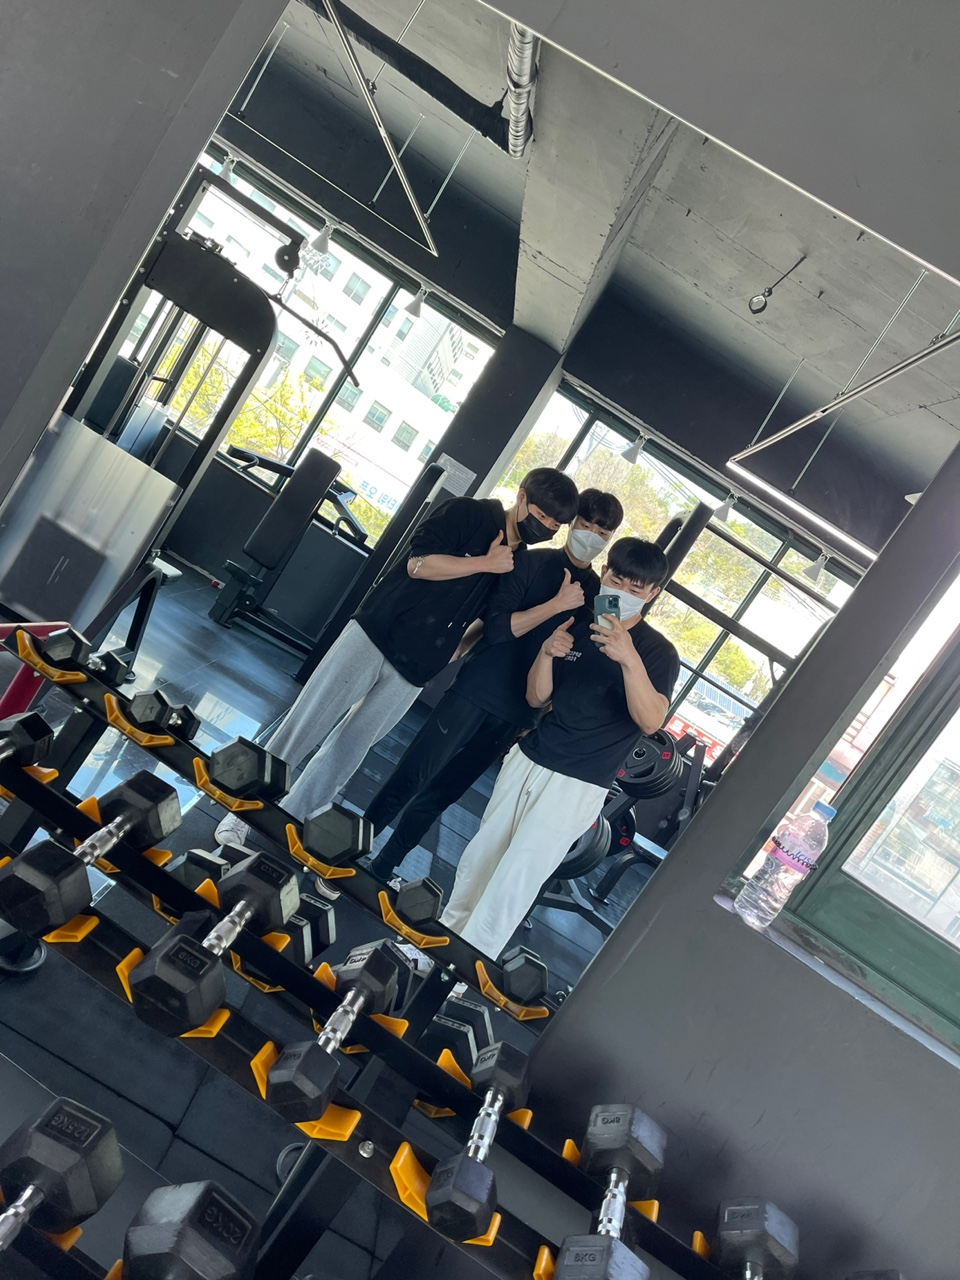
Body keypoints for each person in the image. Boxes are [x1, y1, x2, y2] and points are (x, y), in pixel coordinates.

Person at [214, 467, 579, 849]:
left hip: (417, 668)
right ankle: (239, 811)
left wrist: (454, 650)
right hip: (375, 636)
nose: (545, 527)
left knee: (348, 752)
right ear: (521, 497)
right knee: (305, 724)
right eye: (541, 516)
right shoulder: (467, 513)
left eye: (554, 525)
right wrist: (484, 563)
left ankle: (286, 823)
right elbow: (418, 564)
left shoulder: (518, 563)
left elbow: (488, 620)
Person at [364, 489, 625, 882]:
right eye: (585, 525)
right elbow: (497, 629)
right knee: (414, 773)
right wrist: (556, 605)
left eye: (602, 533)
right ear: (571, 524)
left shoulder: (603, 599)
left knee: (444, 793)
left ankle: (385, 866)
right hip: (477, 688)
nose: (591, 535)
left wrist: (542, 714)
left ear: (609, 539)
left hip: (520, 710)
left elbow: (599, 657)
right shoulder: (530, 562)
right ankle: (354, 841)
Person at [438, 537, 680, 959]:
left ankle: (463, 967)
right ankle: (438, 943)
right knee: (480, 859)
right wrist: (547, 654)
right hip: (531, 758)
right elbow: (536, 697)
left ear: (652, 593)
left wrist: (628, 658)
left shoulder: (658, 652)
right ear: (604, 574)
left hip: (578, 783)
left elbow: (650, 720)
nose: (622, 591)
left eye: (635, 588)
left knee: (516, 879)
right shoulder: (579, 624)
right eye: (616, 580)